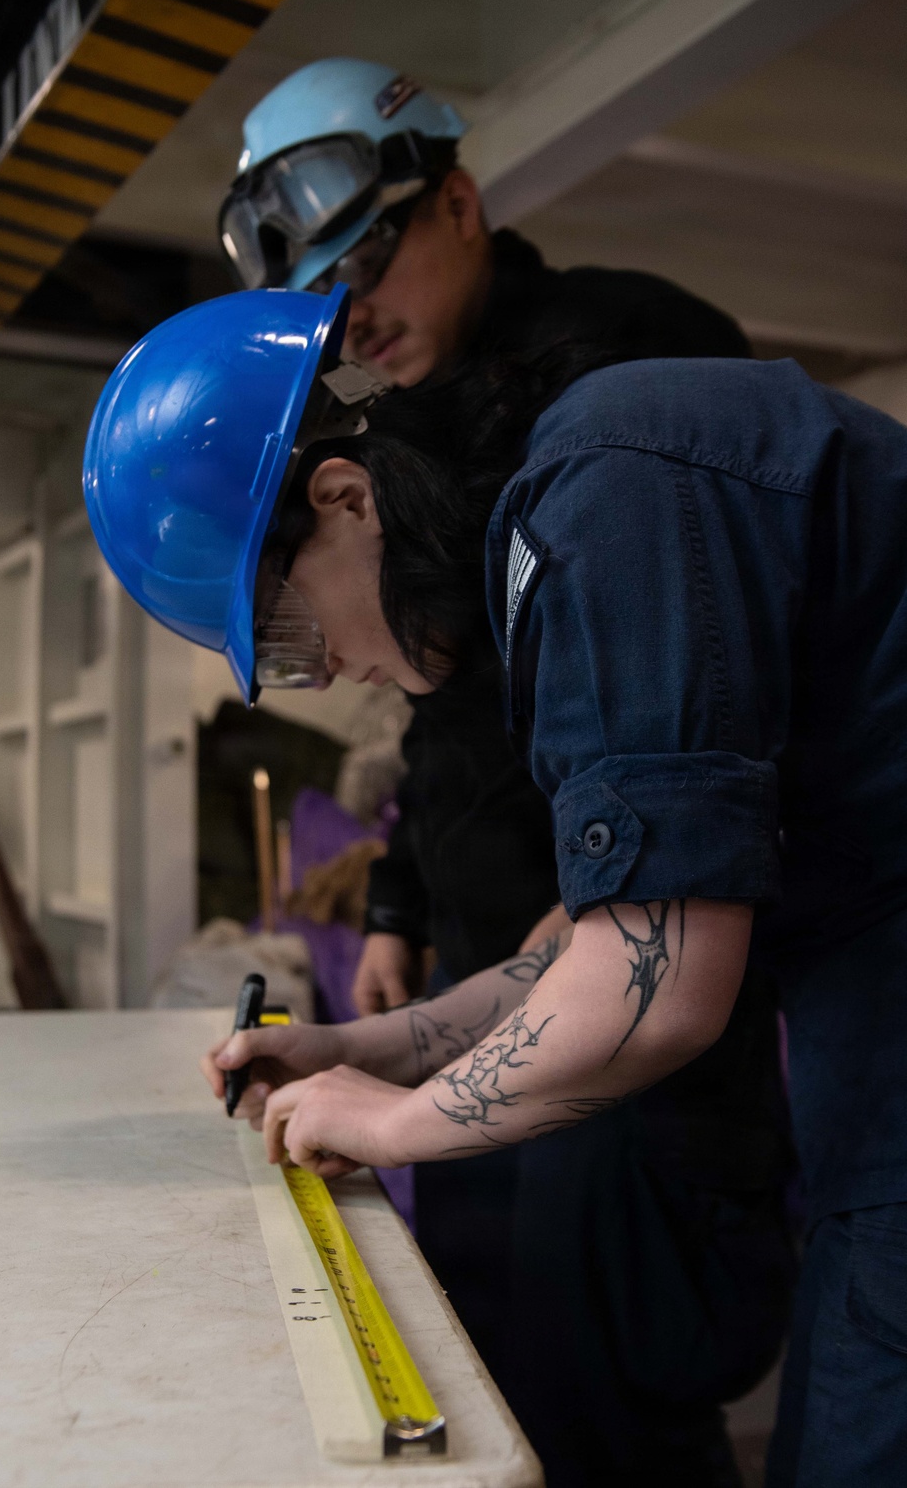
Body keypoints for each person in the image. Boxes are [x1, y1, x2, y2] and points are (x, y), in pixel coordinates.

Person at [85, 287, 907, 1486]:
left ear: (344, 498)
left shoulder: (606, 500)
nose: (325, 676)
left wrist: (394, 1126)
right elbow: (583, 944)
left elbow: (656, 983)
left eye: (293, 633)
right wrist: (359, 1046)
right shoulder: (565, 536)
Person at [215, 61, 792, 1486]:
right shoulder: (400, 438)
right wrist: (397, 939)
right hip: (543, 945)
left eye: (366, 261)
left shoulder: (623, 397)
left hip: (650, 934)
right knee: (492, 1362)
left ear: (457, 200)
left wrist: (404, 1100)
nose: (353, 317)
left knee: (617, 1375)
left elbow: (671, 839)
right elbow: (441, 716)